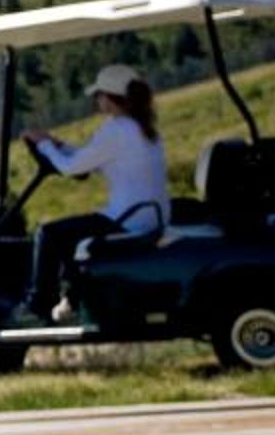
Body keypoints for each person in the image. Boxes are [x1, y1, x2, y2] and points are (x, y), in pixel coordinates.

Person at [18, 62, 170, 320]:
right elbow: (90, 159)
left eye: (98, 95)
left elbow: (70, 167)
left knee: (49, 234)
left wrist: (44, 145)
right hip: (150, 216)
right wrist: (55, 144)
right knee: (74, 232)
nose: (97, 101)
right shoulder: (143, 127)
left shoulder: (116, 129)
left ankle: (36, 307)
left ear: (109, 98)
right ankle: (71, 299)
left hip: (127, 219)